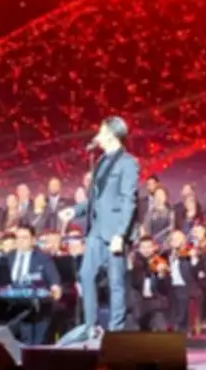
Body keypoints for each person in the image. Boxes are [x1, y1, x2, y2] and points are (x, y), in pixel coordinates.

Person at [58, 116, 140, 337]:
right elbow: (96, 199)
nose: (97, 136)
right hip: (96, 230)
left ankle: (116, 331)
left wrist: (120, 234)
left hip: (114, 232)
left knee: (116, 283)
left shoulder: (128, 163)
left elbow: (128, 200)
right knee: (86, 275)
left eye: (102, 132)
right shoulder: (101, 161)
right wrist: (75, 210)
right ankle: (90, 326)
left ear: (112, 135)